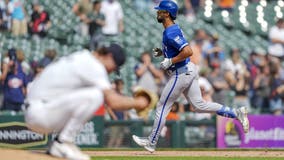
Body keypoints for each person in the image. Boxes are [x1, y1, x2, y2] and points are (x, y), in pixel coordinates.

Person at [132, 0, 249, 153]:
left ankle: (151, 141)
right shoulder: (171, 29)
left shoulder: (170, 31)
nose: (157, 12)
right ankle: (236, 113)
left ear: (167, 13)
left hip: (181, 72)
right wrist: (163, 53)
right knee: (199, 105)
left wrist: (170, 60)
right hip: (187, 69)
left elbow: (188, 51)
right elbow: (178, 49)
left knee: (162, 106)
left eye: (160, 11)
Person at [24, 43, 149, 160]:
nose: (111, 71)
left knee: (91, 91)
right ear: (109, 56)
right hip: (41, 113)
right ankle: (63, 142)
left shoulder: (83, 57)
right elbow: (113, 102)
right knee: (96, 95)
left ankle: (58, 143)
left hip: (40, 109)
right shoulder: (93, 65)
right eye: (114, 67)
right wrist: (139, 102)